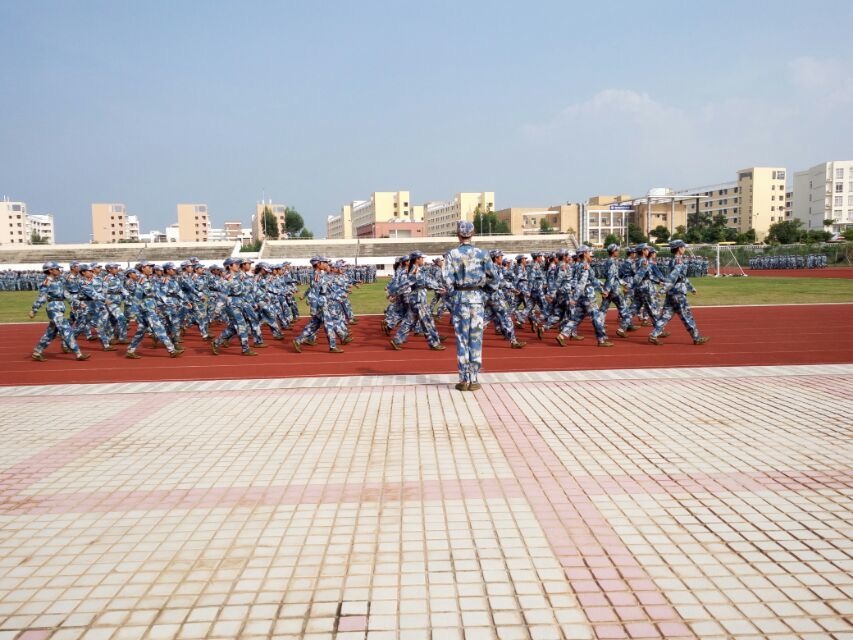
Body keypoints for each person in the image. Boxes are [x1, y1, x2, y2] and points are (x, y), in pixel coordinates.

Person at [442, 221, 496, 391]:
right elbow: (494, 278)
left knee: (461, 339)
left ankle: (463, 379)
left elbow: (446, 279)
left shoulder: (451, 254)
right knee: (476, 339)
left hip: (460, 299)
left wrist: (454, 291)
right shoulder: (482, 254)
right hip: (477, 299)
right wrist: (483, 290)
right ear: (472, 234)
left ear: (458, 234)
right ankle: (474, 379)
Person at [648, 240, 710, 346]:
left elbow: (682, 277)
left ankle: (653, 334)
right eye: (683, 247)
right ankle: (697, 338)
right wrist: (662, 290)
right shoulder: (678, 261)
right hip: (678, 293)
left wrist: (691, 288)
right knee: (686, 315)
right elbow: (673, 277)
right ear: (679, 248)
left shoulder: (674, 260)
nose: (684, 249)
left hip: (672, 292)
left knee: (666, 316)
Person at [29, 262, 90, 361]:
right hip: (53, 308)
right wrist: (34, 309)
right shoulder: (46, 282)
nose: (59, 270)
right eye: (57, 269)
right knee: (66, 329)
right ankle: (78, 353)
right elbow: (42, 297)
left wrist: (78, 303)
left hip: (60, 308)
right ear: (50, 270)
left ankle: (37, 352)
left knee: (51, 333)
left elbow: (66, 294)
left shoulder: (58, 281)